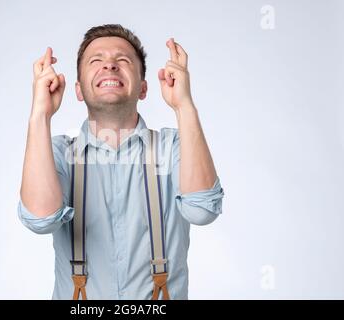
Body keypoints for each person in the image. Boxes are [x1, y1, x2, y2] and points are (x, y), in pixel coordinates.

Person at [17, 24, 224, 300]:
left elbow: (202, 210)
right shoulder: (59, 153)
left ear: (143, 88)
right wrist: (40, 115)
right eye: (96, 60)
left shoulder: (173, 146)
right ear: (78, 91)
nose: (110, 66)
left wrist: (183, 105)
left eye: (122, 60)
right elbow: (40, 220)